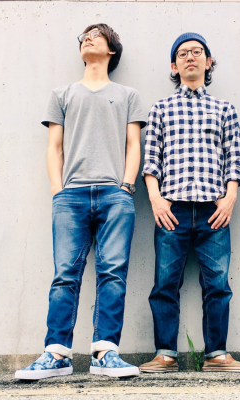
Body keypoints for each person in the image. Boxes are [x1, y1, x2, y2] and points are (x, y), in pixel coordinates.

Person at [15, 23, 146, 380]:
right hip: (70, 196)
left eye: (96, 34)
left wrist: (126, 187)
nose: (88, 38)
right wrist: (58, 191)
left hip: (115, 196)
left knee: (113, 274)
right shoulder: (62, 94)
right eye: (84, 36)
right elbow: (54, 147)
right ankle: (56, 355)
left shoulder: (128, 95)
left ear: (111, 50)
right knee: (65, 275)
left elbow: (133, 145)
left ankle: (105, 353)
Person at [139, 32, 240, 373]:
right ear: (174, 66)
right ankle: (165, 355)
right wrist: (156, 200)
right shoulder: (161, 108)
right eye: (183, 53)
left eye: (197, 51)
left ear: (208, 61)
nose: (190, 57)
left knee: (217, 284)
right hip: (170, 209)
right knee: (164, 284)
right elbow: (151, 161)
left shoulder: (224, 109)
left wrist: (230, 198)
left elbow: (234, 158)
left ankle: (217, 355)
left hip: (213, 211)